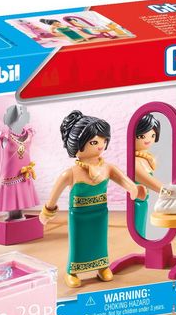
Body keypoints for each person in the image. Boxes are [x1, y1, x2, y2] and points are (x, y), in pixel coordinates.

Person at [39, 110, 140, 288]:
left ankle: (102, 266)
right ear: (77, 144)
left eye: (103, 141)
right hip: (79, 215)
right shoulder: (71, 173)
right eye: (94, 142)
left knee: (99, 240)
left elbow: (124, 180)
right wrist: (47, 212)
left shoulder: (107, 168)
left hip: (100, 212)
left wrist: (133, 188)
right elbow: (54, 194)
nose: (100, 146)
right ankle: (72, 271)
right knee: (78, 242)